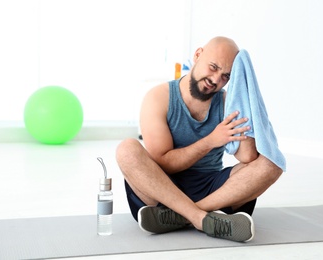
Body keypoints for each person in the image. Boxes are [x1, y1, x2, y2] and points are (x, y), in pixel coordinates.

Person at [116, 36, 283, 242]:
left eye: (225, 76)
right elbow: (163, 163)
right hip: (162, 188)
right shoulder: (159, 97)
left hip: (210, 190)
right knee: (127, 149)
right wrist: (211, 140)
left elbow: (248, 156)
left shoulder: (226, 103)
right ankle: (201, 218)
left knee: (271, 163)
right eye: (213, 67)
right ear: (197, 55)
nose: (215, 80)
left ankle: (183, 216)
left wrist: (244, 94)